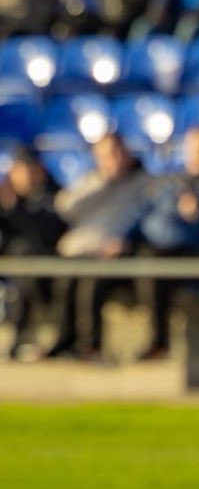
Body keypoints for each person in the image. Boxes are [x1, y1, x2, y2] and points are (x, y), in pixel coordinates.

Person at [47, 133, 153, 358]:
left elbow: (145, 217)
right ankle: (64, 341)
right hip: (81, 252)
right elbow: (64, 207)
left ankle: (90, 346)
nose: (113, 159)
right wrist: (103, 180)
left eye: (116, 152)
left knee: (91, 284)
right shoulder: (91, 180)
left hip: (118, 254)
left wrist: (126, 241)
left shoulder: (142, 183)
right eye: (106, 155)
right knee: (65, 282)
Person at [134, 125, 199, 358]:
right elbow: (147, 218)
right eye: (195, 148)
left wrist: (195, 220)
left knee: (156, 264)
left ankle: (159, 343)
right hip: (155, 248)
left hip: (197, 258)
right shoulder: (170, 184)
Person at [0, 147, 66, 359]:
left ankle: (23, 338)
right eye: (20, 170)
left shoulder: (53, 197)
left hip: (45, 265)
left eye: (30, 169)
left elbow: (46, 233)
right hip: (11, 264)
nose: (26, 175)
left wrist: (14, 209)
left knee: (26, 269)